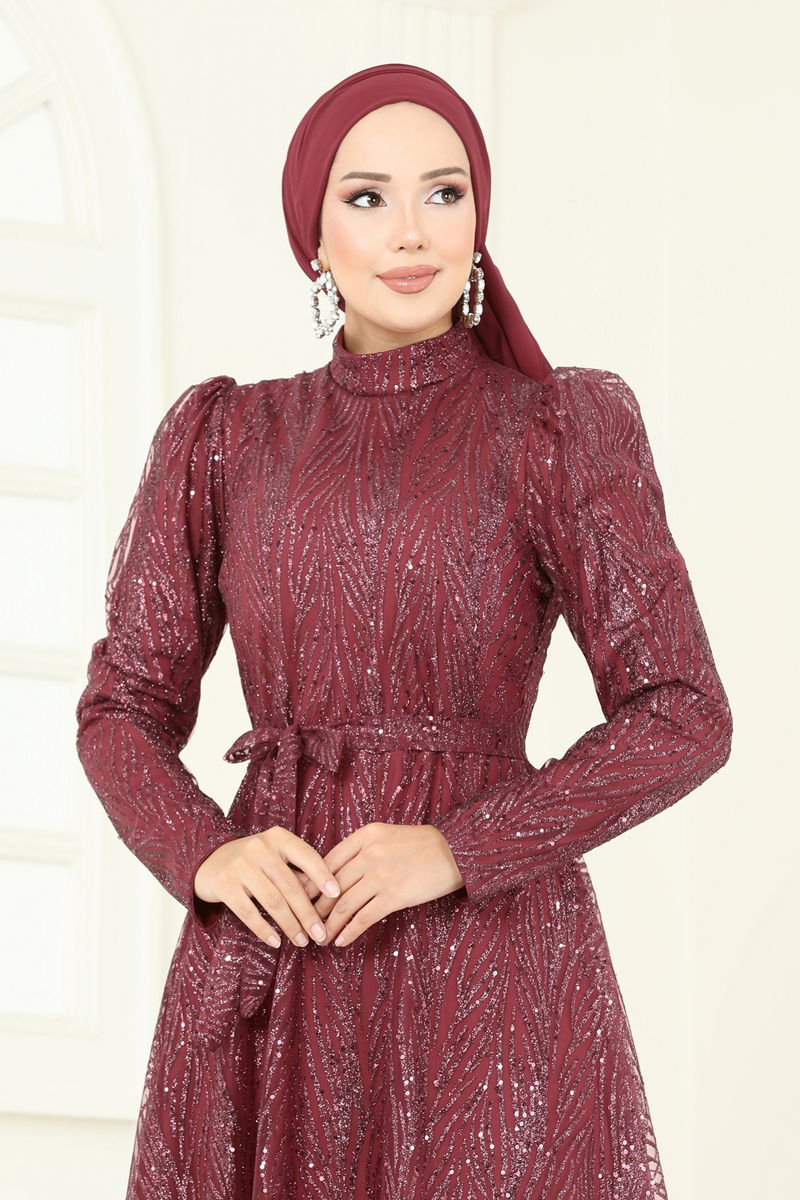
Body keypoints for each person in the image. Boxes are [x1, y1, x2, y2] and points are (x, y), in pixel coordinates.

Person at [75, 62, 733, 1200]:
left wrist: (460, 847)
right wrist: (208, 853)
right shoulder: (228, 438)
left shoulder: (553, 431)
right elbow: (121, 707)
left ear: (478, 217)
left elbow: (683, 712)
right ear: (314, 235)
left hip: (484, 966)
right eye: (367, 197)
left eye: (444, 192)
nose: (412, 230)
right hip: (274, 961)